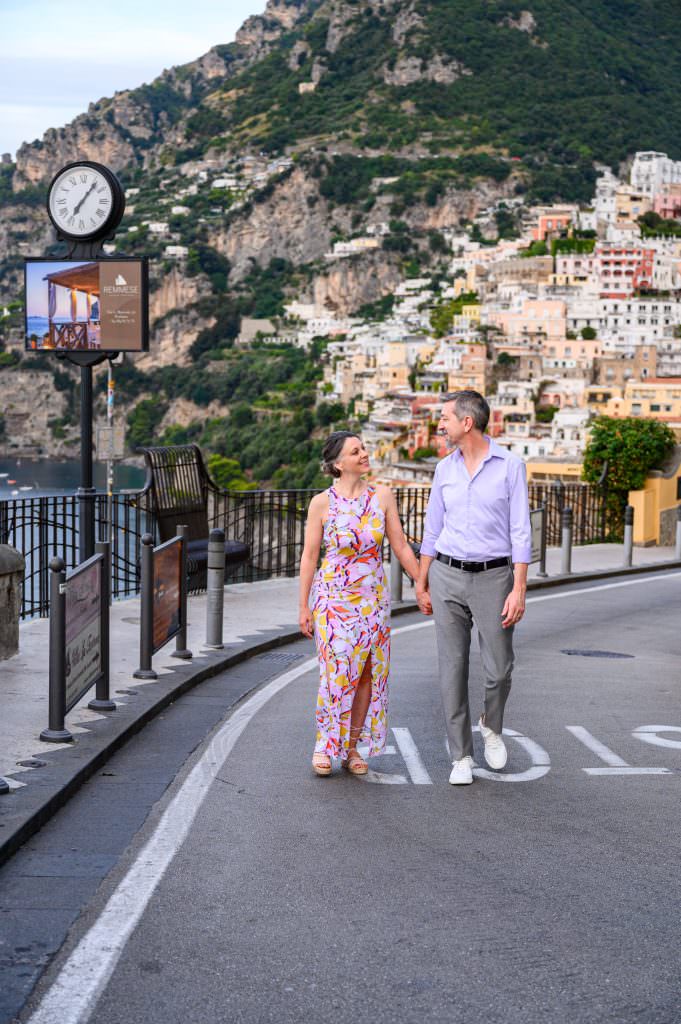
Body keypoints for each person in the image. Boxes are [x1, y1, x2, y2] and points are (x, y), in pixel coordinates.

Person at [415, 391, 531, 786]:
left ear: (467, 422)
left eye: (445, 417)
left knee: (499, 668)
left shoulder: (510, 466)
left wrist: (518, 588)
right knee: (452, 669)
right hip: (446, 575)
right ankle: (461, 755)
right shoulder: (444, 469)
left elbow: (521, 531)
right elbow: (432, 529)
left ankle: (491, 725)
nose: (440, 424)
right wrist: (422, 581)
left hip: (494, 577)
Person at [299, 431, 421, 776]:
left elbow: (399, 545)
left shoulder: (382, 496)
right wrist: (303, 606)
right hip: (332, 600)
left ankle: (351, 747)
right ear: (339, 464)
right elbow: (310, 556)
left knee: (366, 673)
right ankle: (325, 744)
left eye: (363, 448)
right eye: (356, 451)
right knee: (335, 673)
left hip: (373, 601)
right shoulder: (321, 503)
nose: (365, 454)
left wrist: (421, 584)